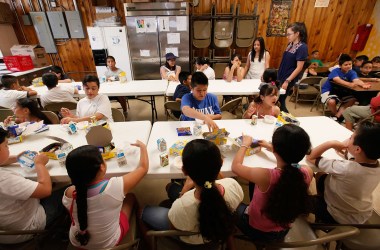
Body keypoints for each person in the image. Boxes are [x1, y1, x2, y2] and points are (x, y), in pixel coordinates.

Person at [141, 139, 243, 247]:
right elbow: (215, 185)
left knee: (141, 212)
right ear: (221, 163)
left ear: (184, 171)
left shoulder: (181, 205)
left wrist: (184, 189)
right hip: (217, 228)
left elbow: (174, 226)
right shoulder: (233, 185)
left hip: (194, 240)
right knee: (170, 187)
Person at [232, 124, 313, 242]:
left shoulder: (266, 176)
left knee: (230, 206)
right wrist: (273, 148)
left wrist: (245, 144)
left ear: (275, 149)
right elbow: (293, 164)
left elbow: (236, 167)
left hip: (259, 230)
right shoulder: (307, 172)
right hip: (284, 227)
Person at [62, 141, 148, 249]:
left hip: (78, 242)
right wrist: (143, 147)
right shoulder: (113, 188)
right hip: (108, 242)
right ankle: (144, 235)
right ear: (102, 166)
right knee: (130, 197)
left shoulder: (69, 193)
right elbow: (143, 168)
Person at [0, 127, 66, 244]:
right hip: (26, 228)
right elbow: (45, 190)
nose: (8, 147)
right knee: (68, 188)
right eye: (5, 145)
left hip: (7, 226)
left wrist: (16, 158)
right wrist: (40, 164)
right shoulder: (3, 179)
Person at [307, 121, 380, 224]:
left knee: (300, 199)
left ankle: (321, 217)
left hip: (338, 215)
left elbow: (311, 157)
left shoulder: (345, 168)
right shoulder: (375, 164)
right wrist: (350, 146)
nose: (348, 139)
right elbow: (352, 157)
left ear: (358, 149)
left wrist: (332, 143)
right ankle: (322, 199)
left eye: (350, 137)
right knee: (320, 175)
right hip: (361, 212)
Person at [321, 54, 370, 122]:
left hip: (342, 91)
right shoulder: (335, 71)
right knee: (331, 101)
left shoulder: (352, 72)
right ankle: (335, 115)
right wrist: (349, 84)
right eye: (346, 65)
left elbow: (356, 80)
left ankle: (337, 117)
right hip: (329, 90)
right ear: (340, 65)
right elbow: (337, 79)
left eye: (350, 64)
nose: (348, 66)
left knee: (352, 99)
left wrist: (363, 84)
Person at [277, 22, 308, 113]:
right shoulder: (290, 45)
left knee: (281, 100)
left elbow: (299, 68)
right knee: (277, 98)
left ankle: (287, 120)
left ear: (297, 34)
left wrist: (287, 80)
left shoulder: (302, 47)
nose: (287, 36)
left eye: (289, 34)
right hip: (281, 75)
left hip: (288, 78)